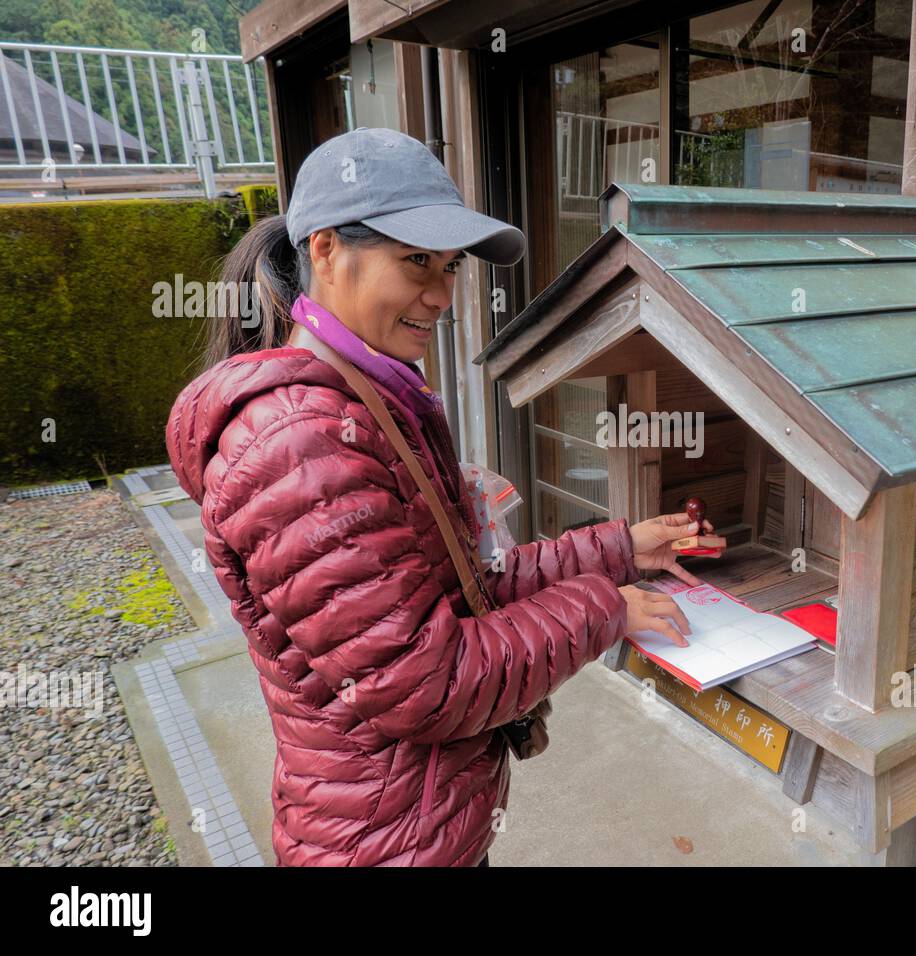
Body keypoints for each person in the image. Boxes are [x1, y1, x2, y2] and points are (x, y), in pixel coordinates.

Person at [166, 127, 710, 866]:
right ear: (324, 250)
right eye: (415, 260)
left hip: (418, 825)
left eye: (450, 267)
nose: (440, 294)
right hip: (381, 843)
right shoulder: (301, 445)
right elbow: (429, 681)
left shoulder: (369, 400)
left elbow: (463, 591)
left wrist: (618, 550)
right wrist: (603, 610)